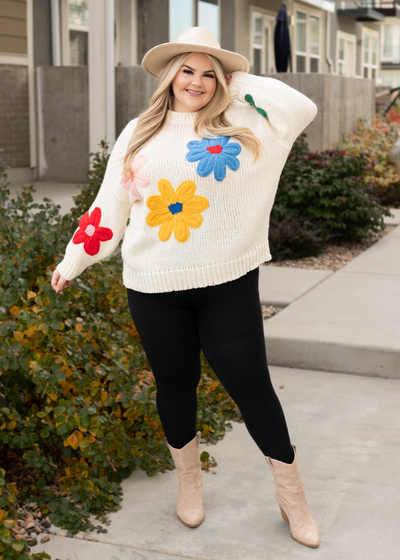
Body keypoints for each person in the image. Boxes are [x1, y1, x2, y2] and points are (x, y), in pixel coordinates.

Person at [51, 27, 319, 548]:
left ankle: (294, 500)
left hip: (228, 282)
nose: (195, 81)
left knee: (251, 387)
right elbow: (111, 206)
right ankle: (189, 483)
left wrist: (235, 80)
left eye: (207, 72)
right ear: (169, 75)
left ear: (222, 79)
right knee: (176, 385)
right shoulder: (139, 133)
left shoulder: (245, 124)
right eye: (186, 69)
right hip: (153, 286)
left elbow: (301, 105)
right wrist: (74, 259)